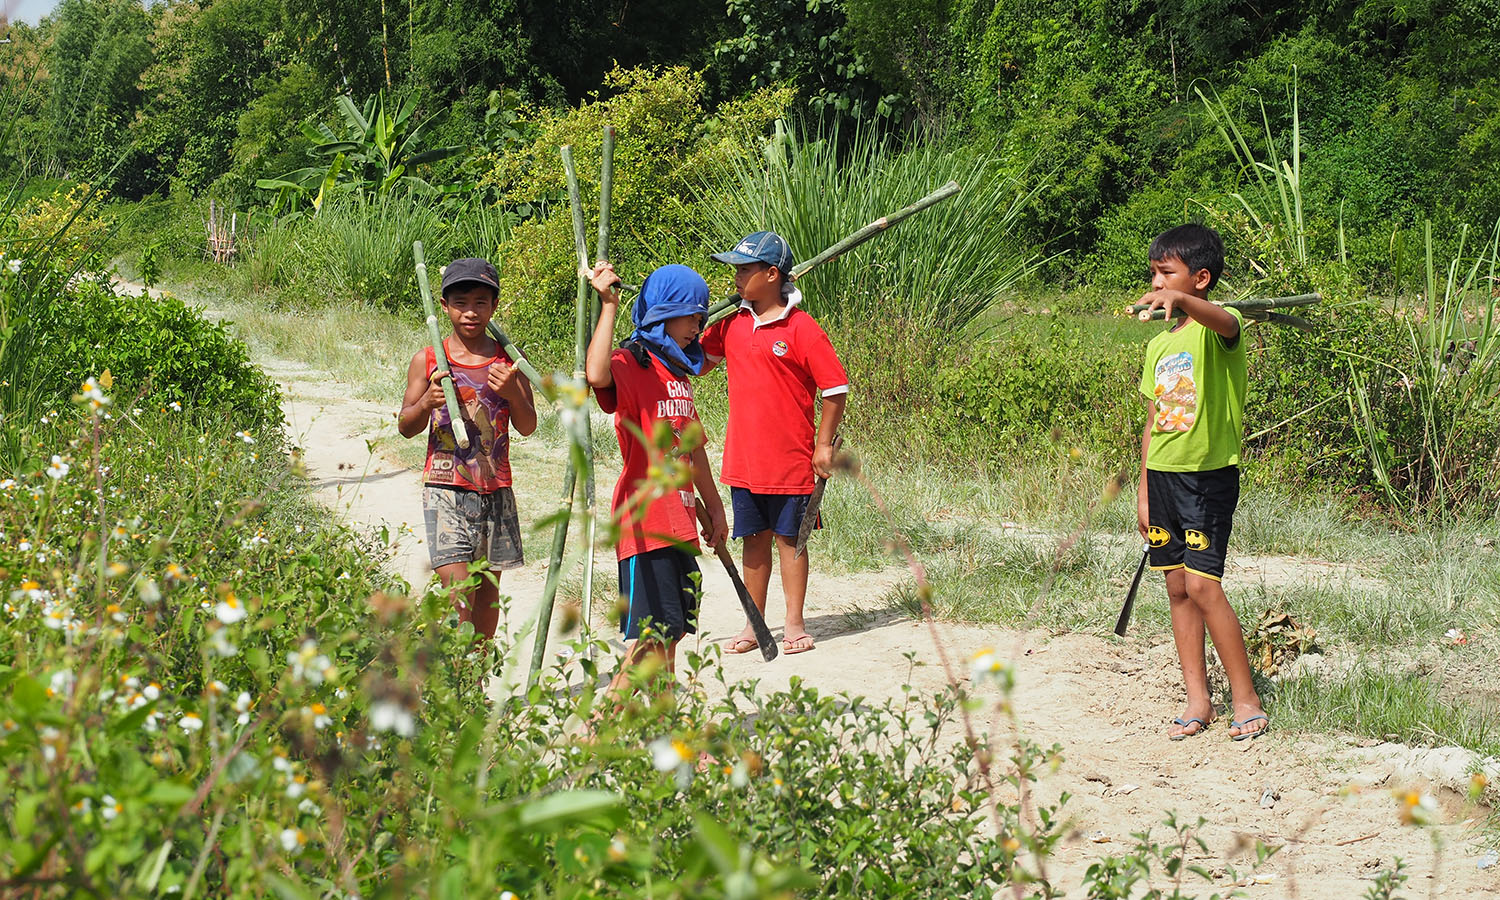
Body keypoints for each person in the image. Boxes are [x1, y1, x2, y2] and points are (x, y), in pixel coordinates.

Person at [1135, 224, 1268, 741]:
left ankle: (1246, 698)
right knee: (1176, 586)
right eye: (1153, 274)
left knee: (1202, 585)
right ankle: (1198, 700)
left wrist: (1182, 301)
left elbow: (1224, 319)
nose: (1156, 282)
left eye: (1166, 273)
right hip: (1163, 479)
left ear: (1201, 278)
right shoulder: (1159, 345)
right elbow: (1153, 421)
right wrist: (1144, 491)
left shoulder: (1220, 329)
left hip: (1206, 479)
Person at [585, 261, 728, 704]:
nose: (697, 328)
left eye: (701, 319)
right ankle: (593, 729)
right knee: (653, 635)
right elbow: (596, 374)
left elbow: (693, 449)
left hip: (680, 522)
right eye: (691, 318)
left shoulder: (678, 376)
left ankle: (663, 723)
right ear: (663, 313)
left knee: (672, 631)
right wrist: (608, 306)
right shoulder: (633, 362)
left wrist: (713, 507)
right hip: (646, 523)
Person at [702, 231, 847, 656]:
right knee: (753, 539)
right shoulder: (729, 324)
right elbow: (699, 364)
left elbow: (835, 388)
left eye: (745, 269)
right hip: (744, 460)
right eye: (735, 268)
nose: (736, 276)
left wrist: (823, 445)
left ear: (771, 275)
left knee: (790, 541)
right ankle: (754, 621)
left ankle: (794, 623)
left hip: (791, 461)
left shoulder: (801, 328)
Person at [397, 257, 537, 640]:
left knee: (487, 600)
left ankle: (476, 673)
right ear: (444, 306)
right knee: (458, 597)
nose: (470, 312)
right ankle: (454, 671)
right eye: (460, 303)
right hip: (445, 492)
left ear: (494, 306)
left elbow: (528, 426)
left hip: (496, 493)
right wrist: (426, 403)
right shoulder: (428, 361)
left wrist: (513, 393)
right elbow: (405, 426)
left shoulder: (511, 362)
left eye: (480, 303)